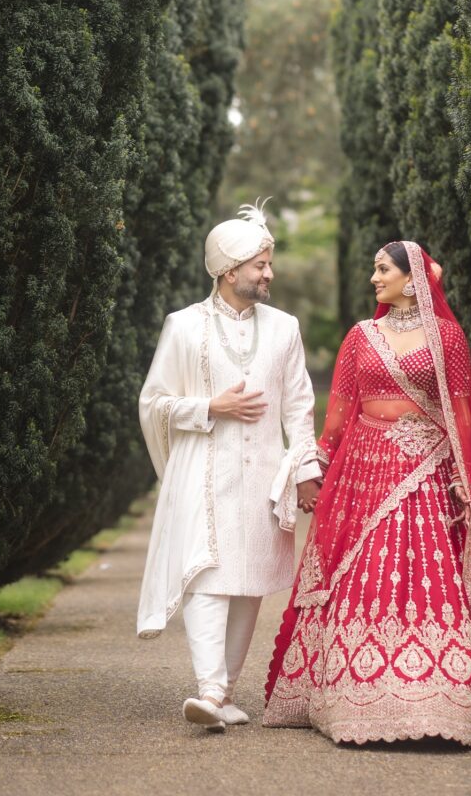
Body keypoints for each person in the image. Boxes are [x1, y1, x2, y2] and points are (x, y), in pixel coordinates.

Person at [263, 240, 471, 746]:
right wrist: (315, 469)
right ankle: (355, 695)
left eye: (383, 269)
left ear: (411, 278)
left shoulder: (447, 337)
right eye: (374, 270)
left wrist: (461, 475)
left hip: (426, 466)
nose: (374, 278)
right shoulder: (361, 336)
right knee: (364, 571)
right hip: (364, 470)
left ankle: (437, 702)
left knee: (427, 573)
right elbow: (340, 410)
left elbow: (461, 409)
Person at [137, 200, 322, 732]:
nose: (269, 273)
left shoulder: (284, 327)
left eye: (269, 263)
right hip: (202, 472)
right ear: (228, 270)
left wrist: (305, 469)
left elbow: (298, 406)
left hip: (264, 475)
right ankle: (210, 690)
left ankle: (225, 695)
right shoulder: (183, 327)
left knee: (248, 581)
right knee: (207, 575)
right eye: (260, 265)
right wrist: (209, 408)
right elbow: (153, 402)